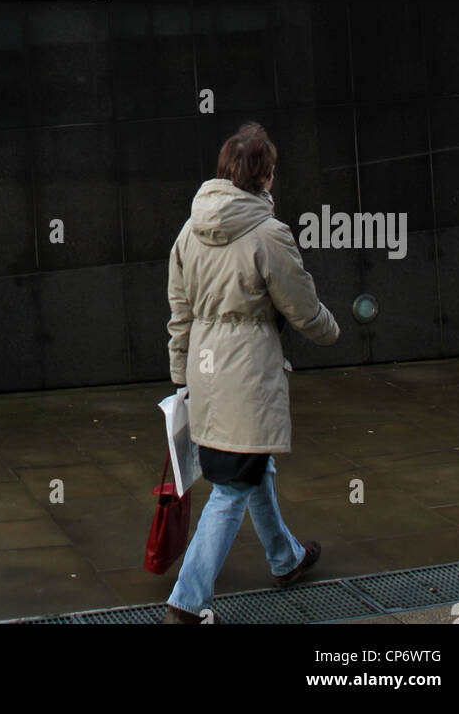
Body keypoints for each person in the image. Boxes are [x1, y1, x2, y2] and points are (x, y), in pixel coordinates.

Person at [163, 121, 340, 624]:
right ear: (263, 177)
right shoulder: (268, 234)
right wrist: (332, 332)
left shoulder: (189, 229)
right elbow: (302, 307)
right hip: (246, 372)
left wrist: (181, 375)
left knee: (250, 463)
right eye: (273, 171)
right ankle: (186, 603)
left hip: (204, 366)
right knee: (234, 485)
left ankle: (285, 559)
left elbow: (179, 310)